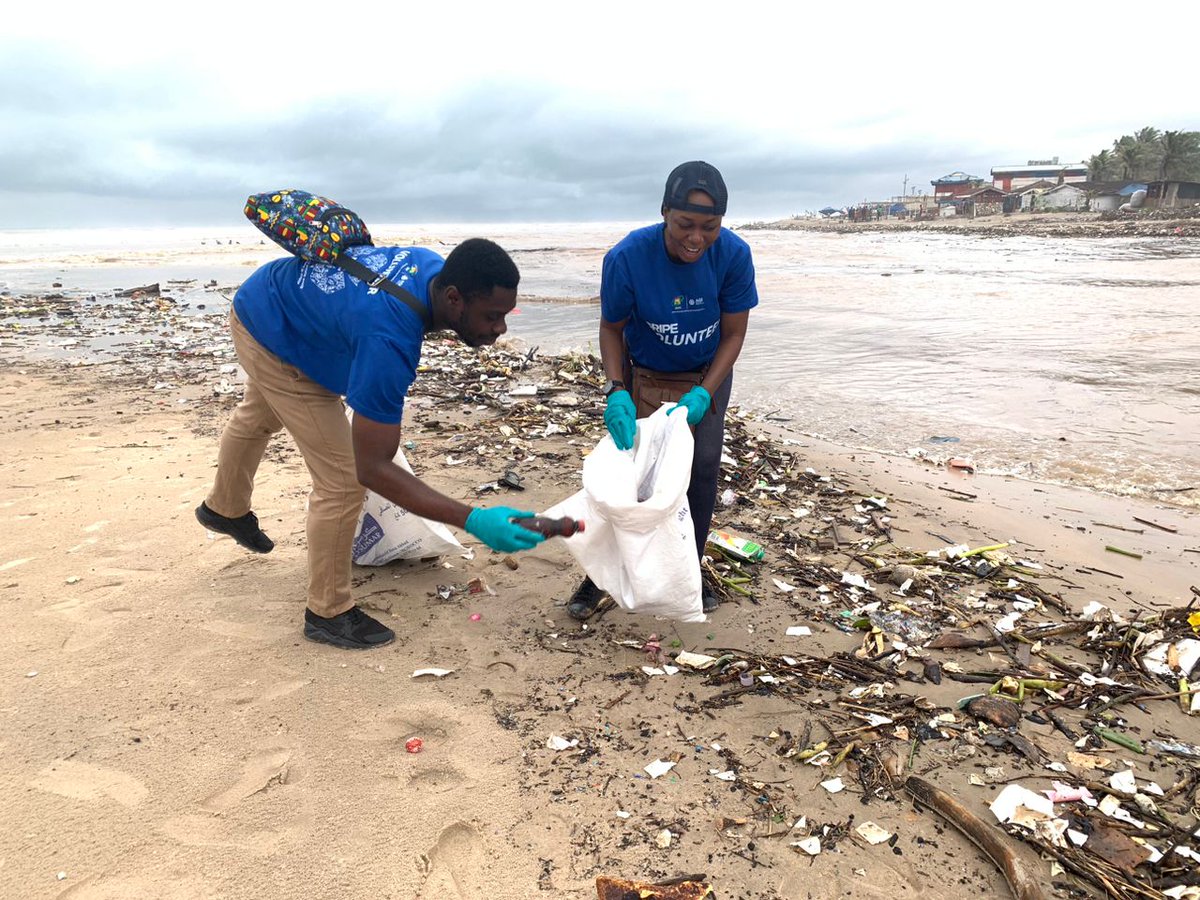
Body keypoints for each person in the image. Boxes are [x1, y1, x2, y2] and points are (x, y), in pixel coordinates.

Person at [196, 238, 545, 650]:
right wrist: (473, 520)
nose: (500, 328)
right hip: (271, 328)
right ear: (453, 298)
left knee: (261, 411)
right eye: (492, 316)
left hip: (272, 300)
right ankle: (327, 612)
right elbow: (372, 467)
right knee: (343, 479)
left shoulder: (433, 267)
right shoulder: (389, 337)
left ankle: (224, 509)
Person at [566, 161, 759, 620]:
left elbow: (733, 334)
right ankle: (599, 580)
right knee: (632, 477)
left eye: (709, 227)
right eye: (685, 225)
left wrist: (704, 394)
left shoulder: (732, 255)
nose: (696, 238)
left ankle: (685, 573)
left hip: (706, 373)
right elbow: (611, 328)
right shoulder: (628, 257)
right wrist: (616, 389)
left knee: (701, 472)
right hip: (645, 374)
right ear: (664, 213)